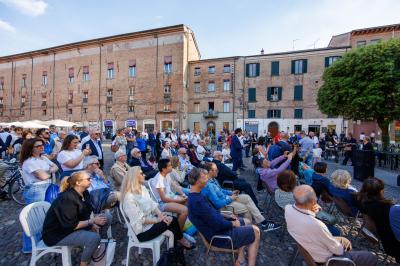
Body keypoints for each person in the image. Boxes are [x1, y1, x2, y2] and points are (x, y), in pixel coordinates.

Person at [285, 185, 377, 265]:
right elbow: (338, 250)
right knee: (371, 257)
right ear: (312, 202)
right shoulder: (317, 225)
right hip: (325, 260)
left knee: (345, 241)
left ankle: (347, 260)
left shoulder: (288, 208)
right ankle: (345, 261)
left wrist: (313, 211)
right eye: (315, 201)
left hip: (306, 243)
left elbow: (305, 213)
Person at [187, 167, 260, 266]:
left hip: (218, 228)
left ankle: (241, 258)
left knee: (247, 222)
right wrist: (233, 223)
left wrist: (223, 214)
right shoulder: (198, 201)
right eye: (204, 177)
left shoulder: (196, 196)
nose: (207, 179)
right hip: (219, 235)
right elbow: (217, 224)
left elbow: (210, 215)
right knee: (255, 231)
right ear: (197, 181)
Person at [42, 171, 111, 266]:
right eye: (88, 179)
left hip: (70, 227)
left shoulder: (84, 192)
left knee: (107, 217)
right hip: (57, 234)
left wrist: (92, 224)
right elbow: (70, 225)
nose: (90, 180)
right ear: (78, 183)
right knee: (94, 238)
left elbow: (85, 214)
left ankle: (95, 248)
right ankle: (84, 263)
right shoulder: (67, 198)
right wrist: (92, 222)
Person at [120, 166, 194, 249]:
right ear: (134, 177)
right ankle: (179, 242)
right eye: (141, 173)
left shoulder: (142, 188)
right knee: (173, 221)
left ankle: (176, 245)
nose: (144, 175)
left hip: (150, 221)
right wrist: (158, 220)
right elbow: (140, 220)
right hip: (142, 232)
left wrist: (161, 215)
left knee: (171, 220)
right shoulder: (129, 198)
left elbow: (152, 204)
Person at [203, 162, 280, 231]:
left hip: (226, 199)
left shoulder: (213, 180)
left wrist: (230, 192)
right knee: (247, 208)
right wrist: (230, 198)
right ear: (210, 172)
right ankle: (248, 229)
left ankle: (263, 223)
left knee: (246, 197)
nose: (218, 171)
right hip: (224, 205)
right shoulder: (209, 186)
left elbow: (221, 190)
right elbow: (217, 204)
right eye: (216, 170)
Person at [20, 138, 59, 253]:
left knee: (45, 215)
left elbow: (56, 167)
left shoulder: (43, 158)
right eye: (38, 146)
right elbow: (43, 176)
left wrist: (49, 170)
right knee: (33, 218)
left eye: (42, 145)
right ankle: (29, 247)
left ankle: (42, 241)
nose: (41, 147)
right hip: (36, 189)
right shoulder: (29, 162)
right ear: (31, 148)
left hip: (47, 187)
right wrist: (50, 171)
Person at [356, 177, 400, 262]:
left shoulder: (364, 204)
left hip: (386, 244)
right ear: (381, 191)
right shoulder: (388, 208)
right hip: (396, 246)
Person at [149, 158, 188, 230]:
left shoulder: (166, 174)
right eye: (169, 165)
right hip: (161, 203)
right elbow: (164, 199)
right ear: (164, 169)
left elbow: (175, 186)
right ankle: (179, 233)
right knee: (185, 210)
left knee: (186, 201)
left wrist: (183, 195)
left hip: (169, 197)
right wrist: (179, 200)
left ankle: (179, 225)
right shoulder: (159, 180)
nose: (171, 167)